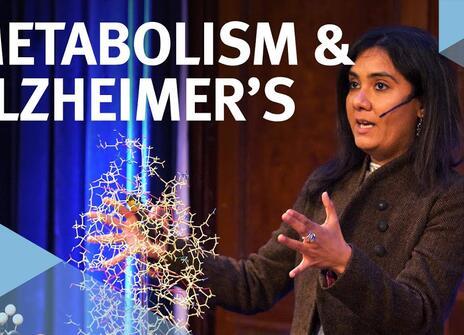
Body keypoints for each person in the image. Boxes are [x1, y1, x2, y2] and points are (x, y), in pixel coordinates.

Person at [89, 26, 464, 334]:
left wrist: (344, 262)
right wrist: (172, 250)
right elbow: (254, 285)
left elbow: (420, 315)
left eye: (380, 86)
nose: (359, 101)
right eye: (353, 84)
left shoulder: (448, 197)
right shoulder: (330, 182)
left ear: (423, 104)